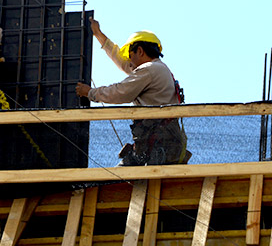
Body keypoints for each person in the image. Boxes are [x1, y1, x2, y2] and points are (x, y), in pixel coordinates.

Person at [76, 18, 188, 166]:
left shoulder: (149, 70)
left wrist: (90, 93)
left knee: (121, 180)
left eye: (131, 55)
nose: (129, 61)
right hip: (160, 144)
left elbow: (120, 92)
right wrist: (99, 35)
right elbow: (122, 62)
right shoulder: (157, 69)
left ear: (140, 51)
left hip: (158, 145)